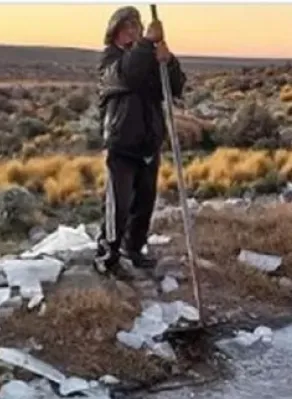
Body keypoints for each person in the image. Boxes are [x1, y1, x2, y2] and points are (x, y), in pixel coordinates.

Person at [94, 6, 186, 278]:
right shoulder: (110, 62)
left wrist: (168, 61)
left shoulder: (144, 59)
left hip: (148, 143)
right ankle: (106, 255)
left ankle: (133, 248)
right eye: (128, 27)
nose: (133, 31)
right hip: (121, 144)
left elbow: (175, 86)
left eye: (137, 26)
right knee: (118, 204)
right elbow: (130, 73)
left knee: (144, 202)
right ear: (115, 31)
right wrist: (148, 43)